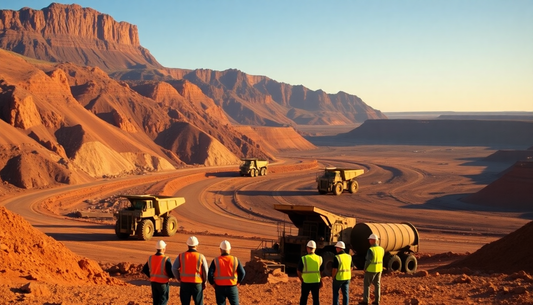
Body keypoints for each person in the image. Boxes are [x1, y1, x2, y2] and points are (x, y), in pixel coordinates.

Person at [172, 236, 208, 305]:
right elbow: (205, 270)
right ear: (196, 245)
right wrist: (205, 281)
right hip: (197, 283)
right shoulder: (201, 256)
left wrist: (179, 278)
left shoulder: (181, 256)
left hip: (184, 283)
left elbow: (174, 268)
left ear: (188, 245)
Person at [208, 240, 246, 305]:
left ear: (220, 249)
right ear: (230, 249)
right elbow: (242, 273)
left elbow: (210, 275)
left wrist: (213, 284)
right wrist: (238, 282)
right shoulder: (235, 260)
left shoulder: (216, 260)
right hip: (232, 287)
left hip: (219, 288)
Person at [142, 240, 174, 305]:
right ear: (163, 249)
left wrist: (151, 276)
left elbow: (145, 269)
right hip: (163, 283)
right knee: (163, 300)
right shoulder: (166, 259)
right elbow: (170, 272)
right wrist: (171, 277)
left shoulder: (151, 258)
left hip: (153, 282)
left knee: (155, 301)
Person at [359, 234, 385, 305]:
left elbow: (368, 260)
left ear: (373, 240)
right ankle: (377, 301)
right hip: (379, 269)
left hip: (370, 270)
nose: (369, 241)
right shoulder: (381, 249)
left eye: (370, 240)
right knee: (377, 285)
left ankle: (366, 301)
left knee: (367, 285)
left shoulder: (371, 250)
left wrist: (365, 268)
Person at [297, 240, 324, 305]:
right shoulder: (319, 258)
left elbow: (298, 271)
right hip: (316, 281)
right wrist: (321, 280)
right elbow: (321, 271)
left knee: (304, 298)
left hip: (306, 281)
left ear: (307, 248)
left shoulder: (303, 258)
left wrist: (301, 279)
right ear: (315, 248)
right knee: (316, 299)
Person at [332, 241, 353, 305]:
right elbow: (351, 267)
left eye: (337, 247)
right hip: (347, 278)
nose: (336, 249)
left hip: (339, 278)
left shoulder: (337, 257)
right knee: (345, 294)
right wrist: (348, 273)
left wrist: (333, 277)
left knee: (336, 293)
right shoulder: (349, 256)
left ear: (339, 248)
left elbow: (334, 269)